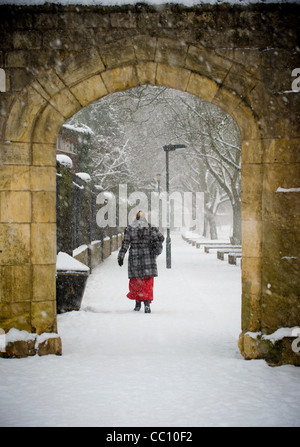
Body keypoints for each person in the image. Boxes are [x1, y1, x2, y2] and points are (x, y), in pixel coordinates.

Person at [118, 211, 164, 313]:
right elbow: (161, 238)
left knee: (136, 282)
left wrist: (121, 256)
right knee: (147, 282)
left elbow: (125, 244)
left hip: (135, 259)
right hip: (148, 259)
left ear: (135, 218)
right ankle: (147, 304)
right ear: (145, 217)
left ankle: (137, 304)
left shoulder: (130, 228)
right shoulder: (151, 227)